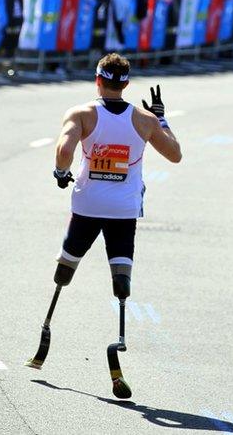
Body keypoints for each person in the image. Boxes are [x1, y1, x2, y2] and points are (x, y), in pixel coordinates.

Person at [52, 52, 181, 305]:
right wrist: (162, 119)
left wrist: (61, 172)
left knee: (68, 261)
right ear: (126, 85)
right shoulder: (145, 119)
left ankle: (52, 306)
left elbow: (65, 151)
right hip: (124, 206)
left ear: (97, 80)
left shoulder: (81, 113)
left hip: (87, 203)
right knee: (121, 260)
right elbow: (175, 155)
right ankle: (121, 297)